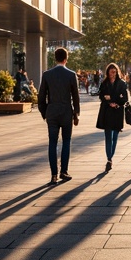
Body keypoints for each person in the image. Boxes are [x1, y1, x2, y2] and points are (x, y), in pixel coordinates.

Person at [37, 47, 80, 184]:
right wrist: (76, 113)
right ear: (66, 59)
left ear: (55, 58)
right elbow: (75, 96)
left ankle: (54, 174)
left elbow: (41, 97)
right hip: (66, 112)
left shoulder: (47, 74)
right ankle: (64, 171)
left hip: (52, 113)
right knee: (66, 141)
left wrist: (45, 113)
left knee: (52, 143)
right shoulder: (71, 74)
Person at [95, 63, 129, 171]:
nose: (113, 73)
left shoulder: (122, 83)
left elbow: (125, 98)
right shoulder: (104, 83)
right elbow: (101, 95)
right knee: (108, 136)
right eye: (111, 71)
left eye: (115, 71)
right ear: (108, 72)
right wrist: (108, 100)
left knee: (115, 136)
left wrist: (116, 102)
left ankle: (111, 155)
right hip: (107, 112)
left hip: (117, 112)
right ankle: (109, 158)